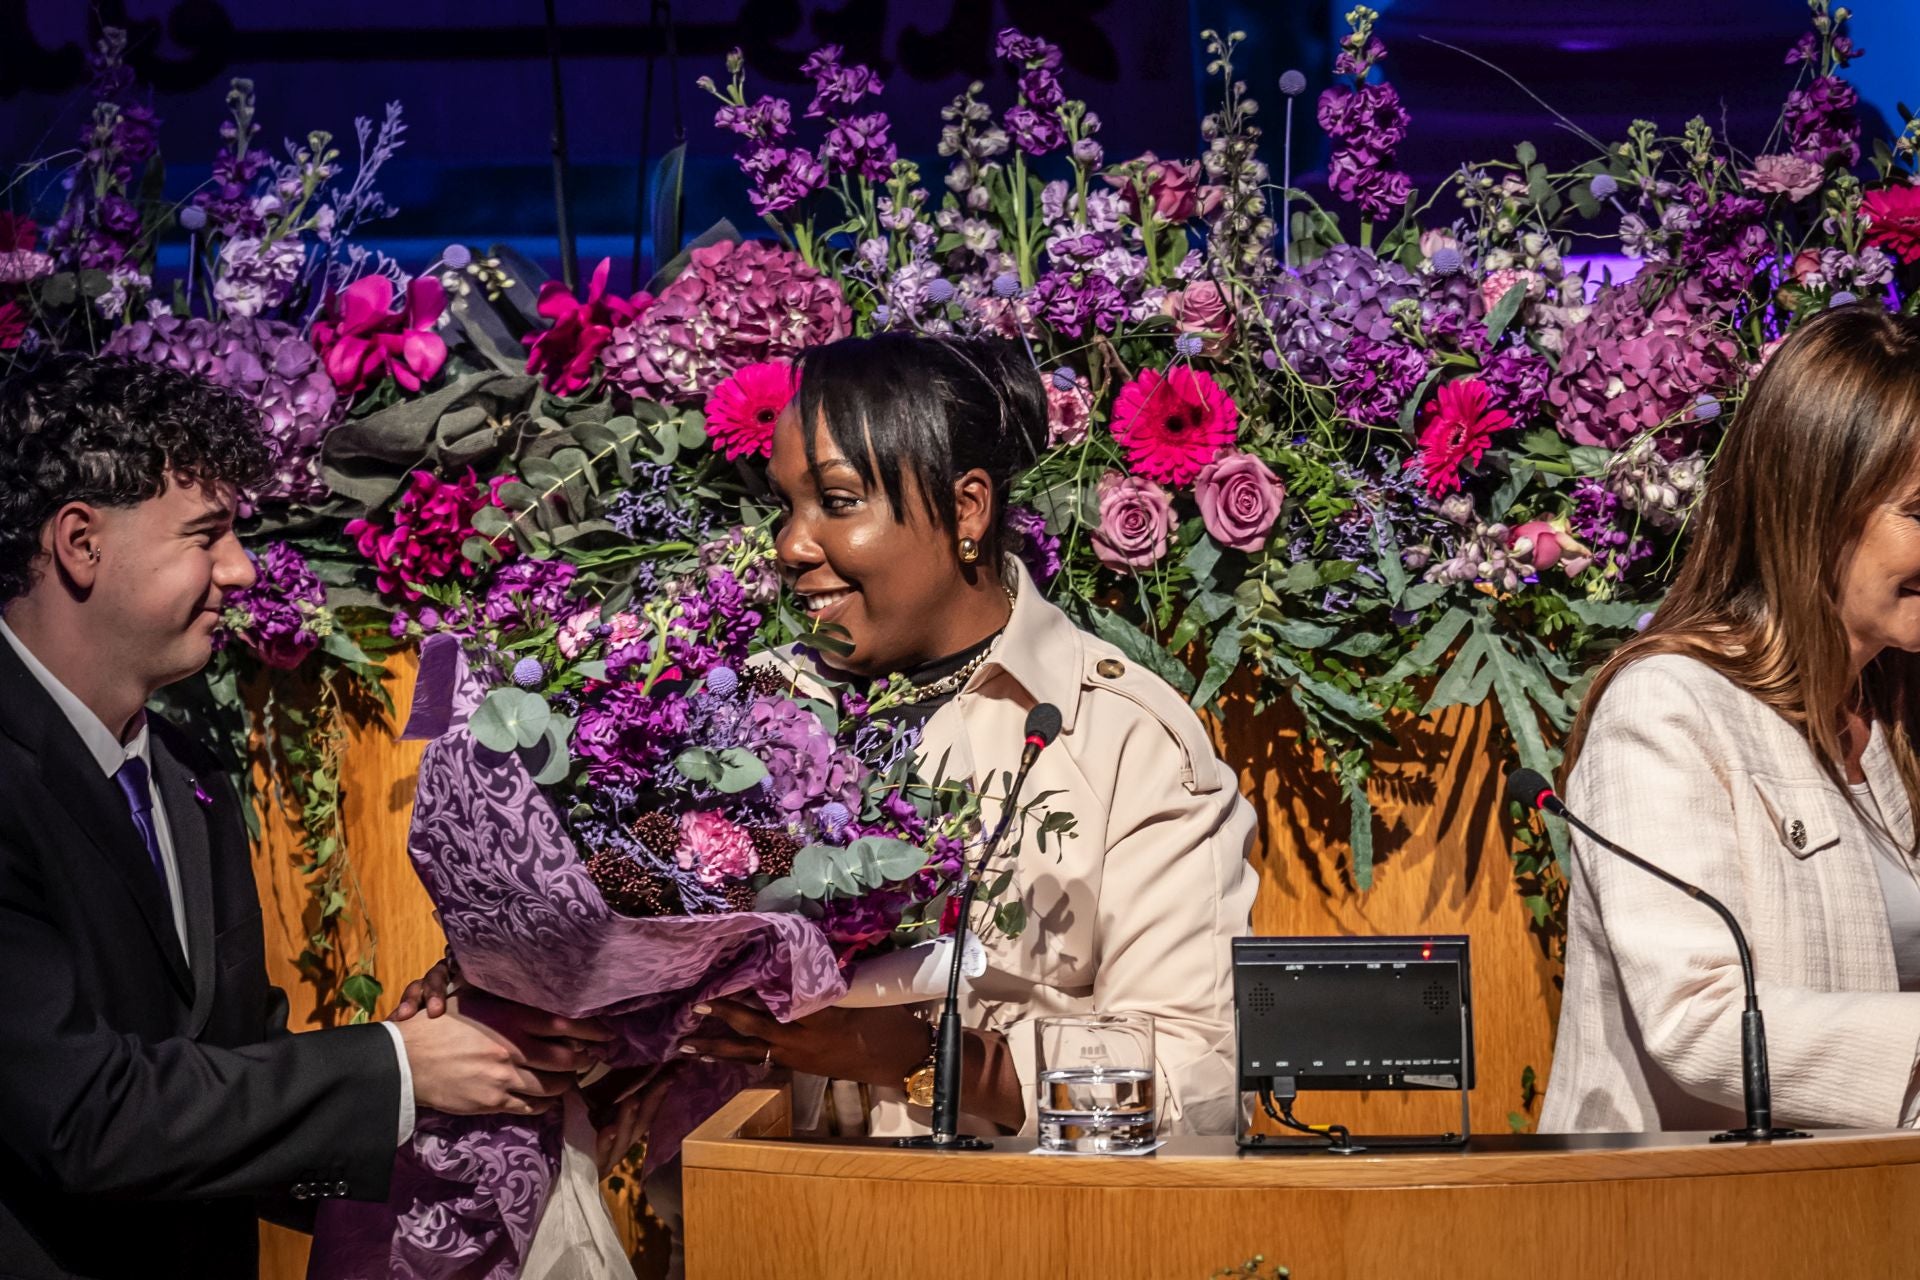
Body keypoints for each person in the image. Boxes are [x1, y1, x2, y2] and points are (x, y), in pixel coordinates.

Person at [0, 355, 607, 1279]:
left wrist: (451, 1075)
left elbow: (224, 1079)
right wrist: (394, 1069)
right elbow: (86, 1115)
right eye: (206, 536)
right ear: (81, 543)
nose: (242, 570)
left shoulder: (187, 777)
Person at [681, 332, 1261, 1137]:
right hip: (758, 1221)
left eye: (838, 502)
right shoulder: (737, 715)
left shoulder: (1121, 739)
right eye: (787, 506)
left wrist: (933, 1059)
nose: (791, 544)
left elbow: (1197, 1073)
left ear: (966, 509)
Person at [1541, 305, 1920, 1134]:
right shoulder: (1666, 706)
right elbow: (1700, 1020)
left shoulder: (1894, 707)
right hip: (1690, 1222)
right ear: (1815, 507)